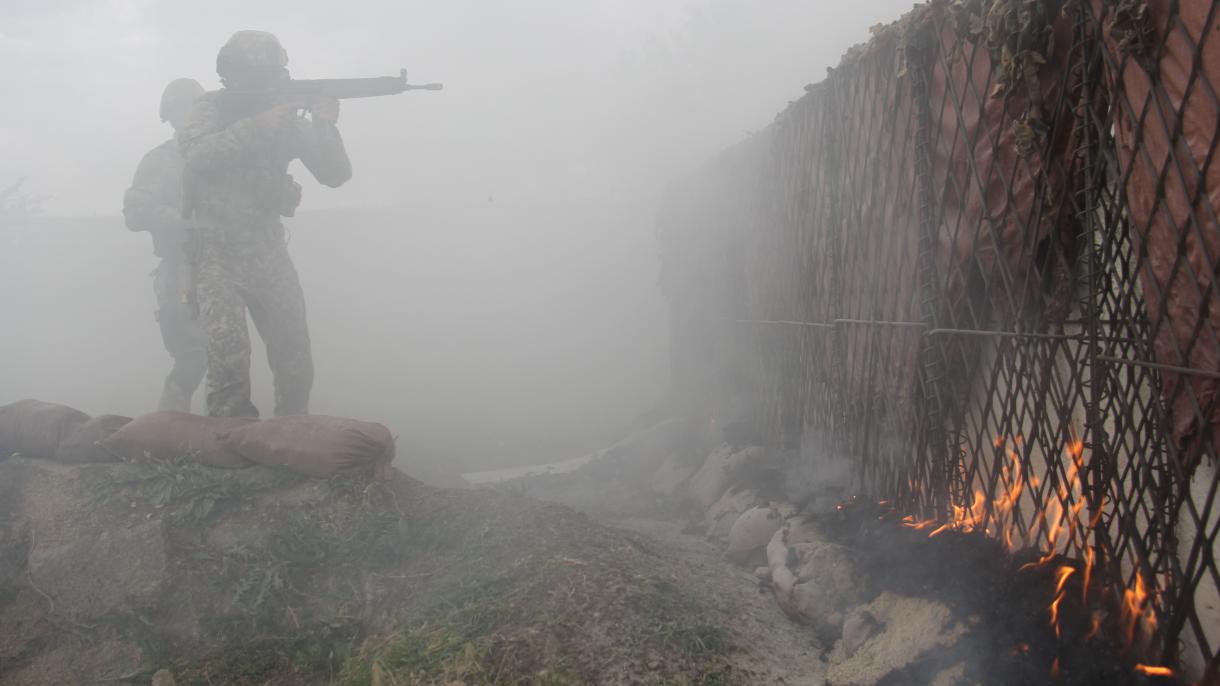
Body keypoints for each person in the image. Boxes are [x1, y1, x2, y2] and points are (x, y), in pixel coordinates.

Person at [177, 30, 350, 417]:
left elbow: (334, 174)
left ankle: (291, 433)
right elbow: (196, 155)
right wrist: (256, 126)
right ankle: (230, 445)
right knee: (228, 362)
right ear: (232, 75)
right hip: (216, 255)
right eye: (256, 75)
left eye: (272, 75)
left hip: (267, 249)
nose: (267, 84)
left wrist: (325, 126)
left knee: (294, 355)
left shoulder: (284, 118)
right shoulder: (212, 107)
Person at [123, 78, 208, 412]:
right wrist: (179, 219)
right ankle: (169, 430)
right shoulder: (159, 160)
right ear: (169, 116)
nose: (187, 117)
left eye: (193, 109)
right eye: (181, 110)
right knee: (191, 356)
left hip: (223, 266)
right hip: (181, 270)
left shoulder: (218, 153)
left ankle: (220, 435)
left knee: (228, 354)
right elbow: (135, 213)